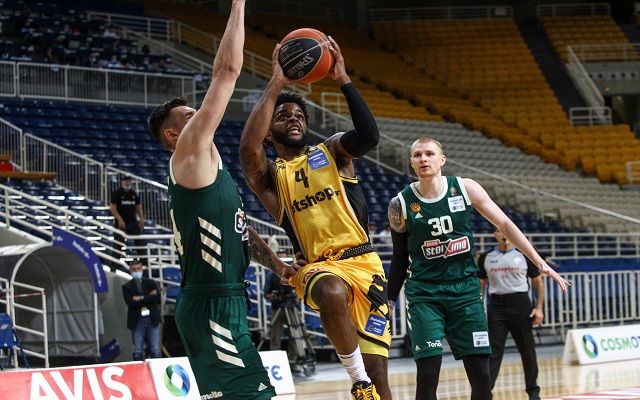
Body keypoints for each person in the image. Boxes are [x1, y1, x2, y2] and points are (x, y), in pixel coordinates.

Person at [146, 2, 293, 398]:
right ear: (173, 135)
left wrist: (277, 264)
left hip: (223, 299)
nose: (200, 115)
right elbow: (227, 71)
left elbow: (239, 231)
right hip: (211, 304)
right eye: (189, 116)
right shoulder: (188, 152)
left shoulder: (210, 166)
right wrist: (239, 4)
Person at [239, 37, 390, 400]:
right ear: (269, 133)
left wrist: (342, 79)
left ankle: (368, 380)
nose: (293, 118)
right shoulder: (271, 178)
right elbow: (247, 148)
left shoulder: (333, 151)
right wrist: (277, 81)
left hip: (365, 265)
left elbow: (369, 136)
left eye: (298, 115)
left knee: (381, 378)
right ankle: (357, 381)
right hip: (319, 266)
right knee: (329, 289)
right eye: (283, 116)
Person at [386, 137, 569, 400]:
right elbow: (400, 257)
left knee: (482, 375)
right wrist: (390, 300)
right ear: (411, 162)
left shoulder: (465, 188)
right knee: (427, 373)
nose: (423, 159)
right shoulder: (400, 203)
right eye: (417, 155)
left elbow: (504, 224)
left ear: (442, 159)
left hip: (465, 293)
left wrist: (539, 261)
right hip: (425, 295)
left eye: (429, 153)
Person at [478, 229, 545, 400]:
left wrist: (539, 308)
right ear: (495, 235)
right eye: (500, 232)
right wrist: (479, 309)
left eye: (506, 232)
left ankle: (533, 392)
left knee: (527, 350)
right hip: (496, 306)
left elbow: (538, 282)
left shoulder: (525, 255)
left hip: (520, 304)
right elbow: (481, 284)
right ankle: (485, 393)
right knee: (493, 352)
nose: (504, 236)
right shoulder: (486, 257)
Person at [121, 260, 162, 360]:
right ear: (130, 271)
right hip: (137, 321)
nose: (136, 271)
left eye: (138, 269)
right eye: (134, 269)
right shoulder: (127, 287)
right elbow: (131, 303)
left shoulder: (151, 283)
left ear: (142, 269)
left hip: (152, 319)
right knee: (138, 350)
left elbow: (157, 298)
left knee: (155, 349)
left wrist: (141, 298)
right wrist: (148, 297)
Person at [109, 175, 145, 270]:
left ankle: (146, 266)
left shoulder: (134, 194)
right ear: (122, 182)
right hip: (121, 223)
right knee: (117, 246)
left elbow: (138, 207)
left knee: (140, 244)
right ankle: (113, 268)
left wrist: (141, 219)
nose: (127, 182)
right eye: (126, 181)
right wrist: (119, 219)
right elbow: (113, 208)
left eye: (129, 181)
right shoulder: (117, 193)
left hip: (133, 222)